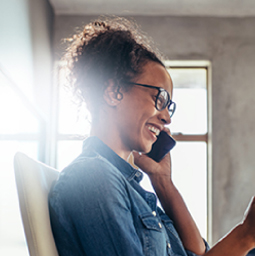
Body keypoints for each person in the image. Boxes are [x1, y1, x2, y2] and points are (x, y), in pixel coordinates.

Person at [48, 16, 255, 256]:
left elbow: (198, 253)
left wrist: (163, 182)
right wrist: (245, 236)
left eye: (170, 106)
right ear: (113, 92)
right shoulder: (92, 178)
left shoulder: (129, 187)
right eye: (160, 99)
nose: (167, 118)